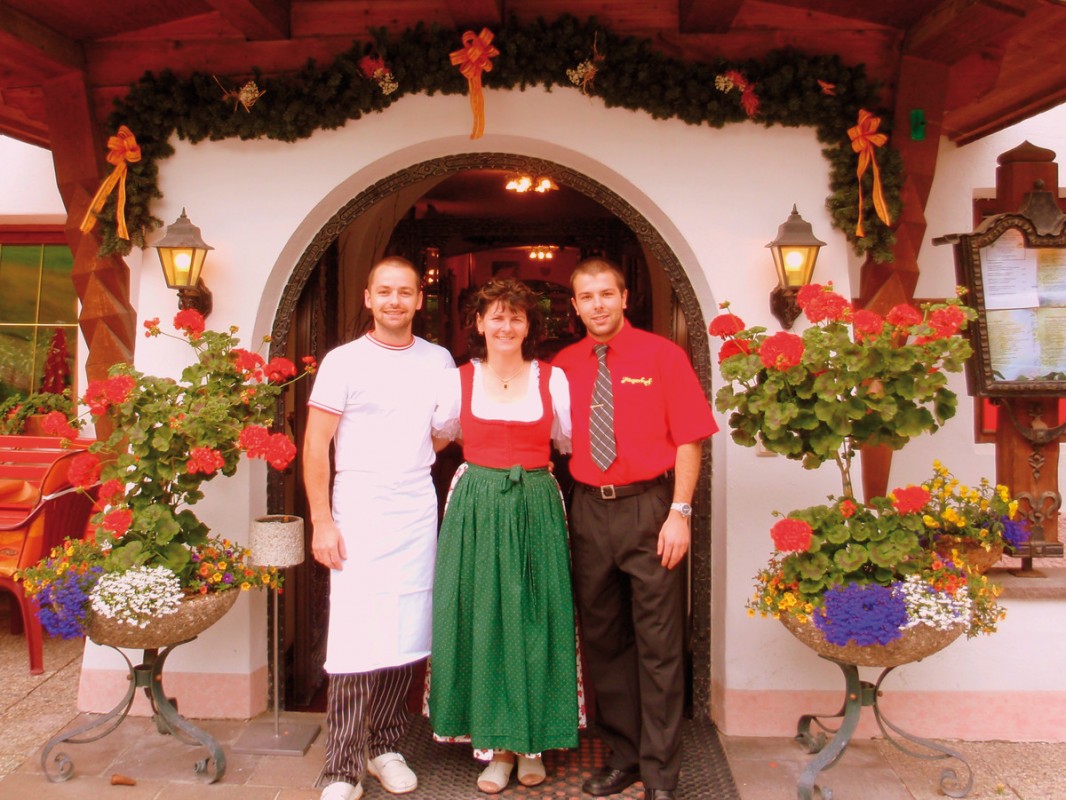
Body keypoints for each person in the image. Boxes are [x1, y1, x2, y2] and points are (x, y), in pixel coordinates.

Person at [553, 258, 717, 800]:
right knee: (603, 642)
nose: (597, 304)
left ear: (624, 297)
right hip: (587, 511)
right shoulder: (564, 365)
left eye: (606, 293)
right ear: (574, 306)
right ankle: (625, 756)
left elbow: (690, 439)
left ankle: (662, 774)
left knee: (659, 644)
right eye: (586, 296)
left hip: (650, 509)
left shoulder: (662, 356)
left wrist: (680, 512)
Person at [303, 256, 455, 800]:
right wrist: (322, 521)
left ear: (419, 300)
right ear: (368, 298)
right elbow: (315, 445)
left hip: (414, 506)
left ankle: (385, 744)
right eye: (384, 291)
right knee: (354, 636)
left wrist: (410, 456)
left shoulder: (438, 360)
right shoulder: (343, 362)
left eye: (405, 292)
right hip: (358, 506)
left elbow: (441, 432)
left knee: (406, 628)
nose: (395, 300)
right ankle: (342, 765)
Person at [428, 279, 580, 794]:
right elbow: (437, 436)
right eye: (496, 316)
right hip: (476, 505)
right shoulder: (458, 380)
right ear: (478, 324)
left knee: (536, 615)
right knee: (484, 615)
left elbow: (567, 442)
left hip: (535, 502)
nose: (506, 326)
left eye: (516, 317)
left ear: (529, 327)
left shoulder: (552, 380)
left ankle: (531, 742)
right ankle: (496, 747)